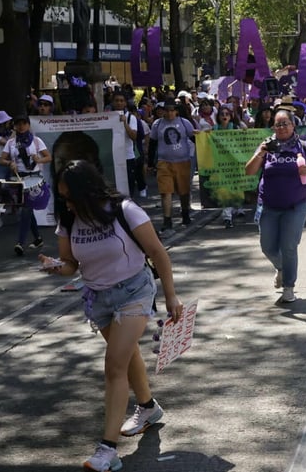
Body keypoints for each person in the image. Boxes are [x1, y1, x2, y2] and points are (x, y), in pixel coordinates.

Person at [38, 159, 183, 472]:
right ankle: (148, 408)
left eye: (70, 196)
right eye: (63, 197)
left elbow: (157, 252)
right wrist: (54, 267)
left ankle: (107, 450)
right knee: (127, 357)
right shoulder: (69, 218)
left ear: (87, 192)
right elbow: (70, 265)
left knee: (114, 364)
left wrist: (171, 296)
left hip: (134, 291)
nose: (66, 202)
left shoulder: (124, 210)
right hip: (98, 297)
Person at [245, 109, 306, 302]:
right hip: (268, 205)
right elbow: (249, 171)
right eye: (277, 124)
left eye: (285, 124)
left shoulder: (304, 147)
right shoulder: (267, 146)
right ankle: (281, 268)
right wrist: (260, 153)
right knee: (267, 247)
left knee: (289, 246)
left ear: (293, 125)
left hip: (296, 205)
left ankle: (288, 286)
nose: (281, 127)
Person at [0, 114, 52, 255]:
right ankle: (38, 238)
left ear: (28, 125)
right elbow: (1, 159)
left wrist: (38, 160)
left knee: (26, 210)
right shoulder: (11, 143)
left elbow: (48, 157)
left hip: (33, 179)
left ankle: (20, 243)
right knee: (26, 209)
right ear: (15, 126)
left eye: (24, 123)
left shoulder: (36, 141)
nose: (21, 126)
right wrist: (9, 163)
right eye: (18, 124)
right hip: (18, 180)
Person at [149, 98, 195, 235]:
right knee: (165, 191)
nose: (169, 113)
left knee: (183, 191)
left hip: (183, 161)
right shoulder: (157, 124)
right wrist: (151, 163)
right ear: (162, 111)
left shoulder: (184, 123)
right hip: (164, 163)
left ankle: (185, 214)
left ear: (176, 111)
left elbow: (195, 139)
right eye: (167, 110)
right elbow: (152, 144)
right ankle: (167, 220)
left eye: (172, 110)